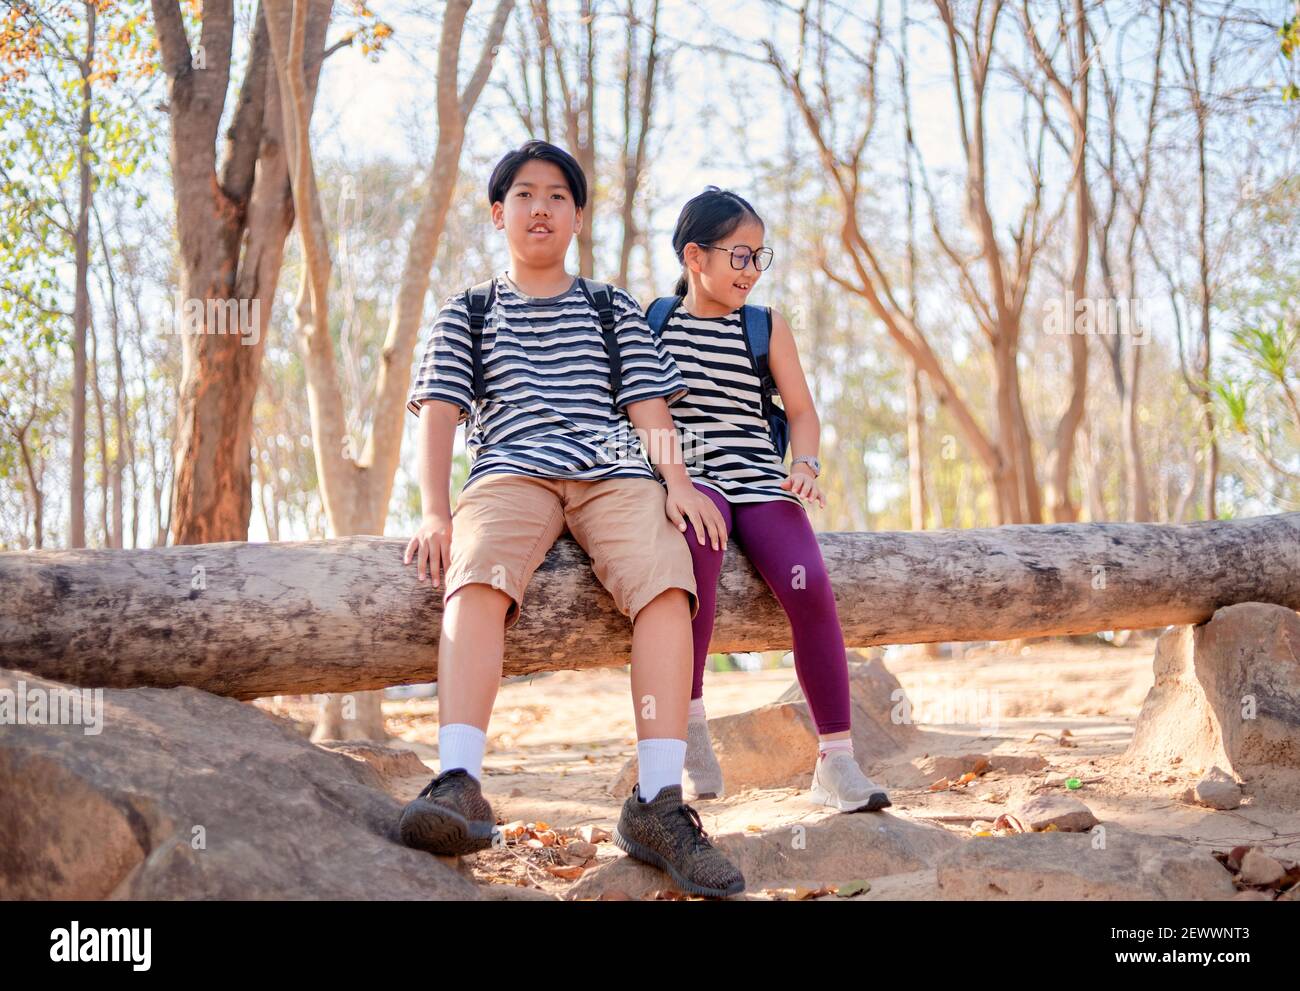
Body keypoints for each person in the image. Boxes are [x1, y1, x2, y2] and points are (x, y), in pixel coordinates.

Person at [400, 142, 744, 897]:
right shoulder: (471, 309)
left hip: (614, 471)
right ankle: (458, 780)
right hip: (508, 472)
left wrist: (677, 480)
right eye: (524, 195)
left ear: (578, 216)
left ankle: (658, 800)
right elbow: (439, 412)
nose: (541, 208)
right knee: (477, 573)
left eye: (558, 196)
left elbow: (647, 404)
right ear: (499, 214)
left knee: (665, 584)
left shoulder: (609, 304)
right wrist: (432, 510)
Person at [646, 186, 891, 812]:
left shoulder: (765, 325)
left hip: (760, 479)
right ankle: (691, 722)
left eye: (760, 257)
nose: (752, 271)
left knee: (808, 586)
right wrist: (671, 484)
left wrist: (804, 465)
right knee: (696, 563)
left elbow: (802, 414)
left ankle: (836, 762)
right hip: (691, 479)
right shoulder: (654, 323)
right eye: (740, 256)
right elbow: (646, 416)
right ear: (694, 257)